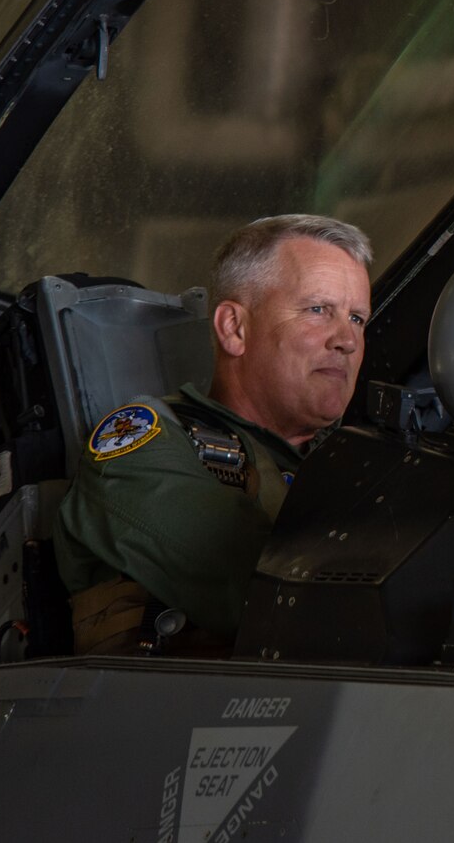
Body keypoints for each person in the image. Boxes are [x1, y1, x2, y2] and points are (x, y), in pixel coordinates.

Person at [54, 214, 373, 654]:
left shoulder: (359, 462)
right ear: (234, 329)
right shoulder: (141, 446)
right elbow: (275, 599)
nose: (347, 340)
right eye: (318, 310)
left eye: (357, 318)